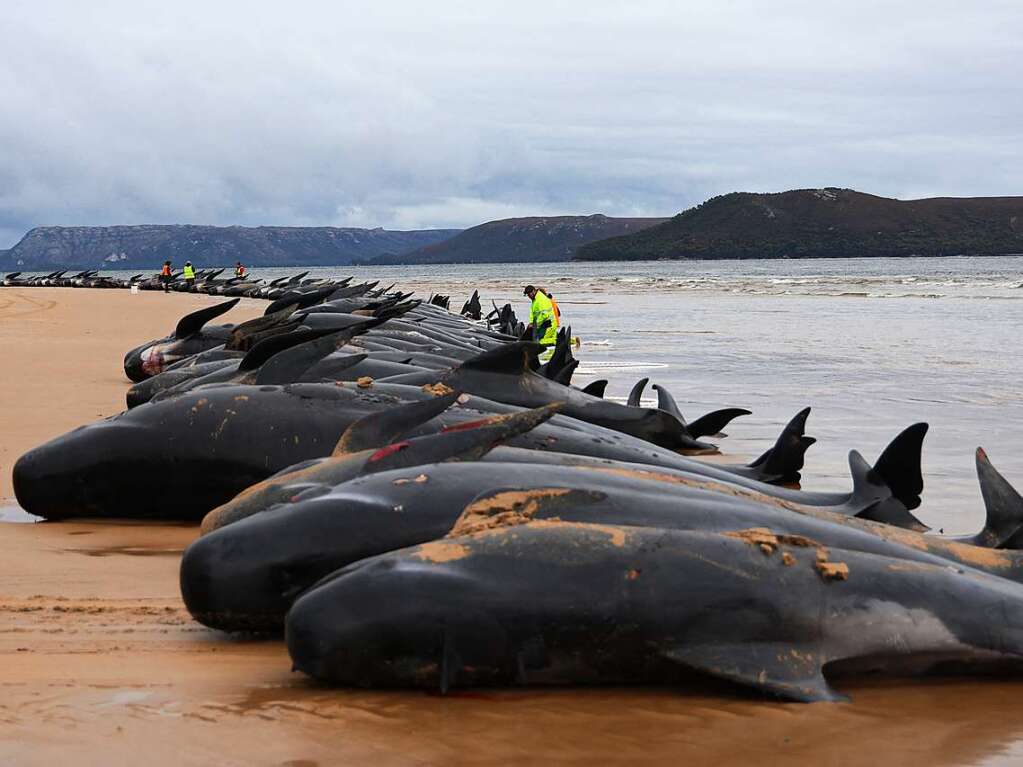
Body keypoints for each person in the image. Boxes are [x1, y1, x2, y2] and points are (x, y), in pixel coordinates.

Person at [523, 284, 559, 357]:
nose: (528, 296)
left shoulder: (541, 299)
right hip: (542, 324)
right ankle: (571, 340)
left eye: (529, 294)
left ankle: (561, 341)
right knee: (541, 339)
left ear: (533, 291)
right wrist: (531, 323)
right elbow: (534, 314)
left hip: (549, 324)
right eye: (527, 295)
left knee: (540, 343)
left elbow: (544, 315)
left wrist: (534, 324)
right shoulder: (535, 300)